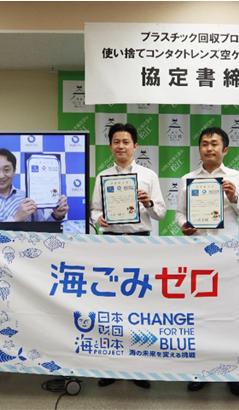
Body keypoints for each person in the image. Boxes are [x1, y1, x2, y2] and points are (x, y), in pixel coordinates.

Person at [174, 126, 239, 396]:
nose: (209, 148)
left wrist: (234, 198)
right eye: (204, 144)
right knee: (202, 315)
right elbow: (179, 214)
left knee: (231, 315)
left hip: (228, 256)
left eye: (214, 144)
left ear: (225, 149)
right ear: (199, 149)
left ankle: (234, 373)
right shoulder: (187, 179)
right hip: (198, 255)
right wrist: (184, 225)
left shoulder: (237, 178)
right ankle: (203, 369)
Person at [90, 122, 166, 389]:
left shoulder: (148, 176)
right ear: (110, 146)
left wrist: (148, 203)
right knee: (112, 306)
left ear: (135, 146)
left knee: (139, 307)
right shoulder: (102, 177)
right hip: (111, 243)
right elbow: (94, 210)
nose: (121, 146)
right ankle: (112, 367)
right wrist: (99, 219)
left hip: (140, 243)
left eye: (126, 142)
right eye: (116, 142)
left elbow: (161, 213)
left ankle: (139, 368)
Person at [0, 148, 69, 222]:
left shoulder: (28, 198)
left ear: (14, 171)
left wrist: (56, 216)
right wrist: (16, 218)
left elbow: (42, 230)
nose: (1, 175)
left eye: (6, 170)